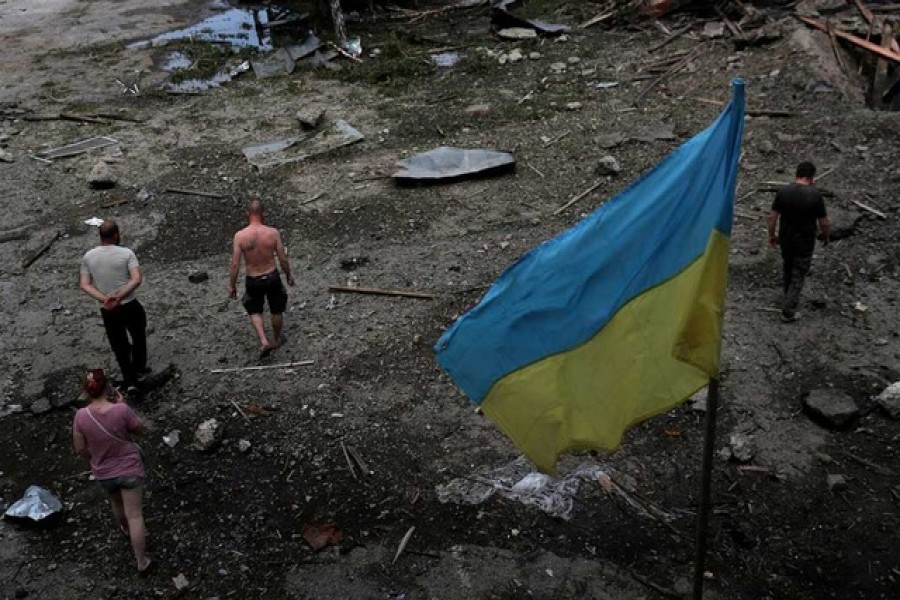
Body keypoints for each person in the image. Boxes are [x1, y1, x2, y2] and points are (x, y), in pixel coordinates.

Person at [72, 368, 152, 574]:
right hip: (129, 469)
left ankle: (125, 529)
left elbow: (80, 449)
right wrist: (122, 404)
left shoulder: (81, 416)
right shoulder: (121, 410)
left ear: (86, 391)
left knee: (116, 502)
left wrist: (96, 455)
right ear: (107, 387)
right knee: (135, 515)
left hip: (104, 472)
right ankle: (141, 561)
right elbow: (140, 429)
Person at [80, 220, 148, 391]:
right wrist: (120, 296)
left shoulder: (88, 256)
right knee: (138, 335)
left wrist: (105, 299)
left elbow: (85, 284)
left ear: (100, 236)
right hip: (129, 303)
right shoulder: (126, 253)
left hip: (108, 309)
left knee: (119, 344)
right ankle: (139, 367)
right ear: (116, 234)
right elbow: (136, 279)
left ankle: (129, 378)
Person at [228, 200, 296, 357]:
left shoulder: (240, 236)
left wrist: (232, 285)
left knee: (254, 310)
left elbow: (235, 264)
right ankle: (277, 339)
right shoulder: (272, 233)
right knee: (276, 309)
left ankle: (264, 341)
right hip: (272, 276)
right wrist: (288, 275)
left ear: (248, 214)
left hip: (253, 279)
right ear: (263, 214)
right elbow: (283, 258)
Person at [768, 162, 830, 322]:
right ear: (812, 177)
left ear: (797, 174)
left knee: (787, 267)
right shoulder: (815, 195)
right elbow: (823, 221)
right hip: (804, 241)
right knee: (799, 273)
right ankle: (788, 311)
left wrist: (771, 234)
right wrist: (826, 236)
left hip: (786, 238)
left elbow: (772, 216)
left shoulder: (783, 191)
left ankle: (787, 296)